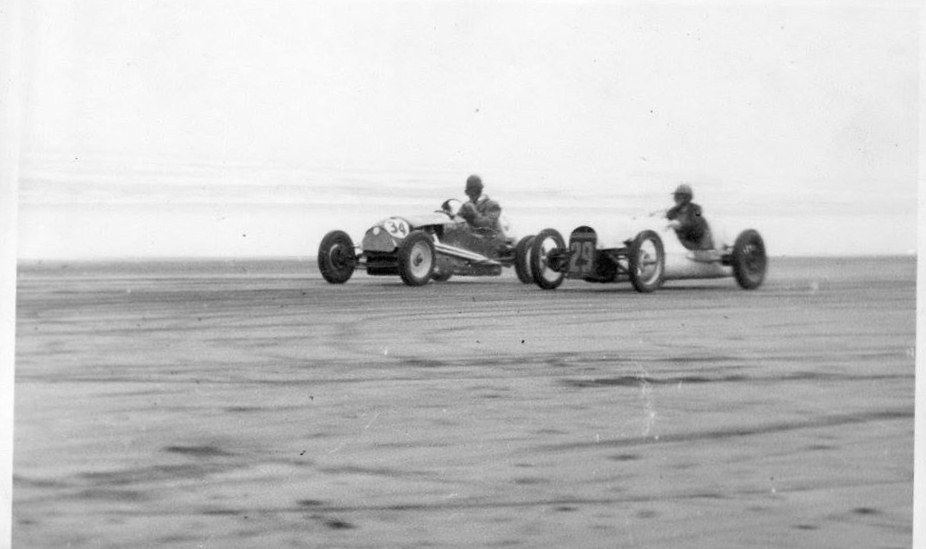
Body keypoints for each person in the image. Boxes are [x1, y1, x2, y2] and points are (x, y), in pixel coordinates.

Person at [666, 183, 713, 250]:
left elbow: (697, 221)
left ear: (687, 198)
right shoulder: (671, 212)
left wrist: (681, 225)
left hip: (699, 239)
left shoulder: (697, 210)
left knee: (703, 223)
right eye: (676, 196)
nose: (676, 198)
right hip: (684, 242)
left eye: (680, 196)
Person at [458, 175, 504, 239]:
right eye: (469, 192)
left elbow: (486, 224)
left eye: (475, 191)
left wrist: (474, 212)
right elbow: (457, 221)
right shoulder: (466, 206)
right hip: (472, 239)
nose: (472, 194)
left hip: (493, 240)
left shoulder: (493, 206)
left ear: (480, 190)